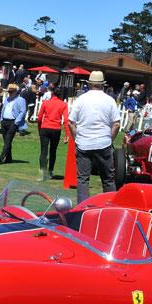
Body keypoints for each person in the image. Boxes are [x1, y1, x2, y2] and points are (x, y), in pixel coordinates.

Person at [67, 71, 120, 204]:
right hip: (103, 143)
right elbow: (116, 124)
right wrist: (110, 139)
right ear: (102, 85)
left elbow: (71, 122)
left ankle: (82, 209)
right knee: (108, 179)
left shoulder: (81, 99)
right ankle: (111, 207)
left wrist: (76, 139)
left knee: (83, 179)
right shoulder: (109, 100)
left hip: (84, 143)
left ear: (89, 84)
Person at [36, 86, 68, 181]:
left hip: (45, 128)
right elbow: (66, 120)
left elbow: (39, 118)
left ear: (52, 94)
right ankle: (50, 172)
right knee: (53, 151)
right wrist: (67, 134)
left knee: (43, 151)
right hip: (56, 129)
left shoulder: (45, 103)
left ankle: (42, 172)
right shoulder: (63, 104)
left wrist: (39, 128)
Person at [0, 83, 27, 164]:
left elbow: (23, 111)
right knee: (6, 141)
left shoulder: (21, 100)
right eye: (9, 91)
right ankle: (9, 158)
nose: (9, 93)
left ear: (16, 92)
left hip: (13, 122)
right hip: (4, 122)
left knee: (8, 140)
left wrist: (16, 122)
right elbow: (3, 109)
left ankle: (2, 156)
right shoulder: (7, 99)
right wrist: (1, 119)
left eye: (11, 92)